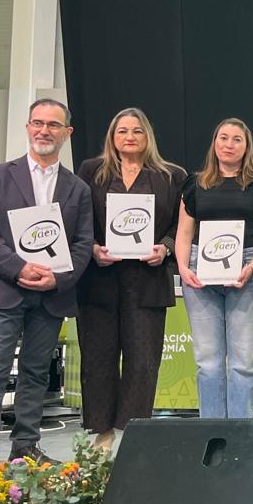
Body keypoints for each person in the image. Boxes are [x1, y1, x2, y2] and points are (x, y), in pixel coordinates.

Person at [0, 100, 93, 465]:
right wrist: (18, 268)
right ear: (27, 127)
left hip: (50, 297)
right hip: (3, 290)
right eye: (38, 123)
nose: (44, 131)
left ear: (67, 133)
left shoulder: (78, 189)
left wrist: (58, 278)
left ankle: (26, 446)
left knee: (36, 374)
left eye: (53, 125)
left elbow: (83, 244)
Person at [76, 108, 188, 449]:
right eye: (122, 131)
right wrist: (92, 248)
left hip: (148, 279)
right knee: (98, 358)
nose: (129, 137)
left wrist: (165, 248)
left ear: (147, 135)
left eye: (137, 131)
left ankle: (133, 432)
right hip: (100, 278)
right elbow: (77, 218)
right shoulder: (91, 171)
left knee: (143, 361)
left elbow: (182, 226)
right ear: (112, 137)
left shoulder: (172, 175)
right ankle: (103, 432)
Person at [175, 118, 253, 420]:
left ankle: (241, 431)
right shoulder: (194, 183)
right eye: (223, 138)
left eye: (236, 139)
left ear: (247, 146)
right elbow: (184, 232)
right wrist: (183, 268)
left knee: (243, 363)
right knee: (208, 362)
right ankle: (213, 429)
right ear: (214, 143)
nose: (229, 144)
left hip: (247, 271)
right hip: (200, 274)